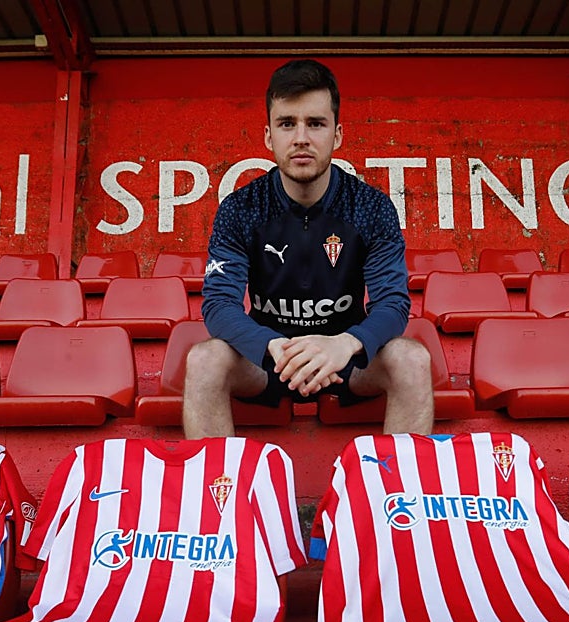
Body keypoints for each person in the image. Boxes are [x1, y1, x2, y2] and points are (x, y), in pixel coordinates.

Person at [182, 58, 434, 439]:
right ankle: (220, 495)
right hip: (268, 358)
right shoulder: (241, 208)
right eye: (287, 124)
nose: (301, 137)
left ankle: (398, 495)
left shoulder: (371, 207)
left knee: (412, 358)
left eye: (315, 123)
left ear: (338, 135)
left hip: (344, 359)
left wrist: (345, 344)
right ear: (269, 137)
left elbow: (393, 304)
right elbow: (218, 304)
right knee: (204, 359)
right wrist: (275, 348)